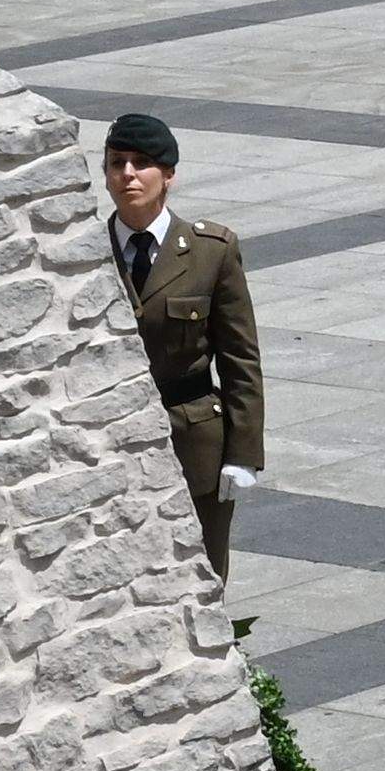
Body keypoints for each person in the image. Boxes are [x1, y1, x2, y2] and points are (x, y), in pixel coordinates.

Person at [102, 112, 263, 579]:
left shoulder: (211, 250)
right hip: (110, 443)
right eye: (117, 163)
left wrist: (242, 455)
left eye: (142, 163)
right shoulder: (84, 250)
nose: (127, 174)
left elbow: (240, 358)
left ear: (169, 174)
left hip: (193, 442)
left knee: (200, 575)